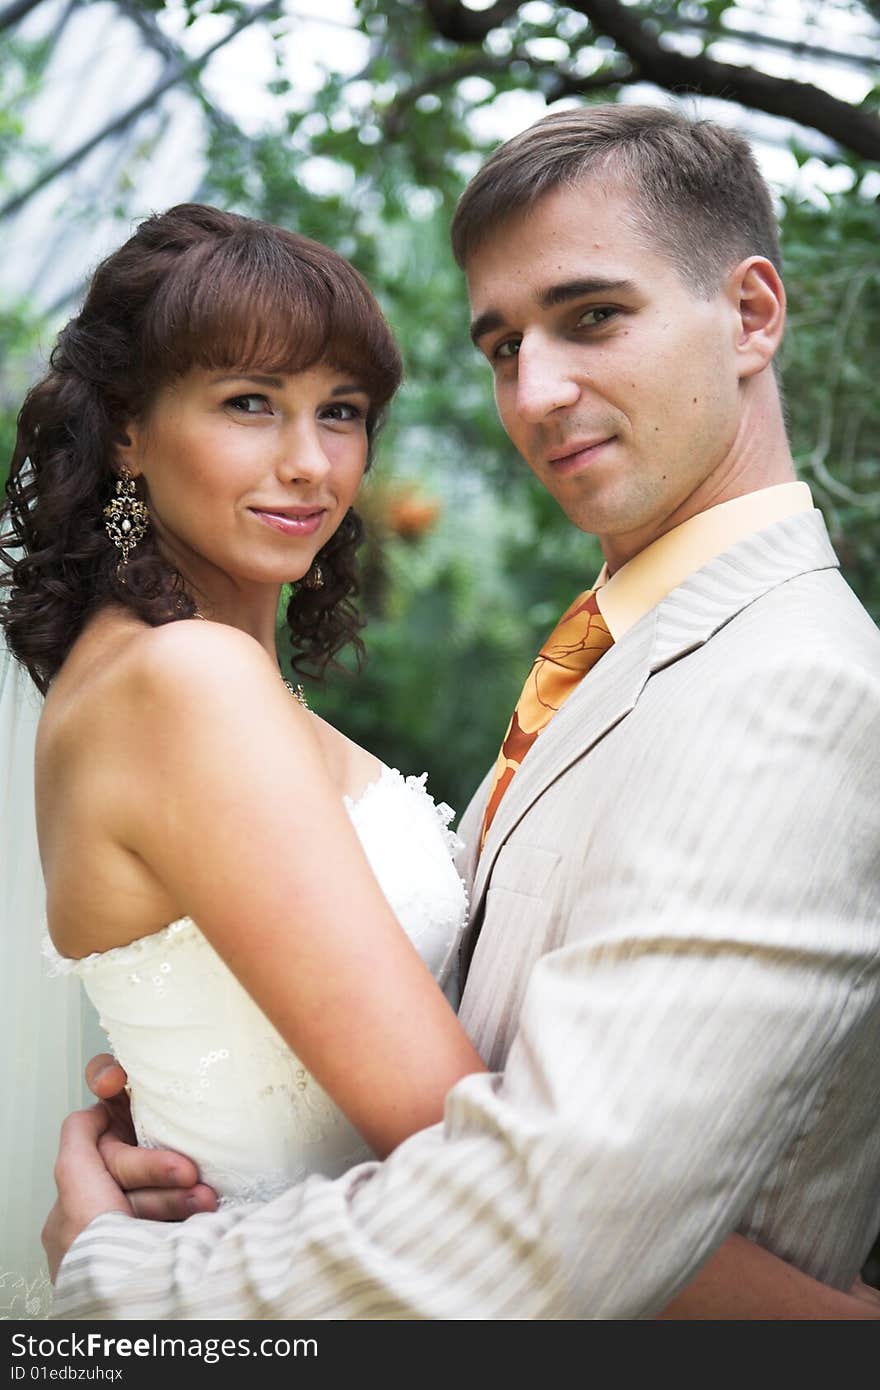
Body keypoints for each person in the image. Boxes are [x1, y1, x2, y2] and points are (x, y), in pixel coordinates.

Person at [22, 104, 880, 1316]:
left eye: (592, 316)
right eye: (498, 346)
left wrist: (121, 1267)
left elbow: (551, 1210)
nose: (534, 392)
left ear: (750, 315)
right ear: (126, 429)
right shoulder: (187, 678)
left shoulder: (790, 680)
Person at [0, 203, 485, 1312]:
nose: (309, 463)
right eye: (250, 403)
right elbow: (455, 1139)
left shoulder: (161, 678)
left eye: (343, 411)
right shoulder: (184, 684)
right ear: (127, 428)